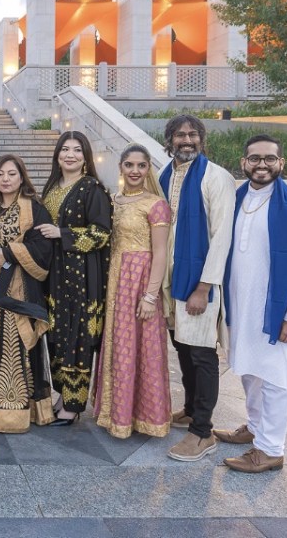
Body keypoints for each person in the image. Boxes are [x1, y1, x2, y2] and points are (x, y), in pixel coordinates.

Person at [216, 134, 287, 472]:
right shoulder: (236, 200)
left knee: (275, 376)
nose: (262, 164)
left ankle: (271, 449)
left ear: (281, 163)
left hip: (276, 311)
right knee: (249, 370)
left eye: (269, 158)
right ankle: (256, 427)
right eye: (255, 158)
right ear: (244, 163)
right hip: (241, 306)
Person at [159, 114, 235, 462]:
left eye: (192, 134)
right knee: (182, 347)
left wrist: (203, 288)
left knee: (202, 354)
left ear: (202, 140)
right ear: (170, 140)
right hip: (171, 280)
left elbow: (221, 237)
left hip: (199, 282)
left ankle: (203, 432)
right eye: (180, 135)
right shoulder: (165, 174)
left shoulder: (216, 177)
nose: (186, 140)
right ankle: (190, 410)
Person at [0, 155, 54, 432]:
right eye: (1, 174)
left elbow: (44, 249)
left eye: (12, 174)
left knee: (14, 342)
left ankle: (14, 411)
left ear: (22, 177)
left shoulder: (34, 208)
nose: (6, 179)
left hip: (17, 287)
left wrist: (8, 253)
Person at [94, 145, 172, 439]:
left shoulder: (155, 204)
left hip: (139, 281)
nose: (135, 171)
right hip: (114, 279)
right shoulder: (113, 200)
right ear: (121, 167)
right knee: (117, 344)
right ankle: (115, 413)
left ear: (148, 168)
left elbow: (161, 252)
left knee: (141, 346)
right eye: (129, 165)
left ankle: (143, 416)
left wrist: (151, 295)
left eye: (141, 165)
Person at [38, 131, 111, 425]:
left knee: (77, 337)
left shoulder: (92, 188)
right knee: (56, 336)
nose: (70, 155)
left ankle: (73, 405)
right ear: (57, 155)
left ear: (86, 156)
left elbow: (101, 233)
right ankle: (62, 395)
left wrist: (62, 234)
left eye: (77, 150)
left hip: (80, 277)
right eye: (65, 149)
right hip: (53, 275)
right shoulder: (52, 187)